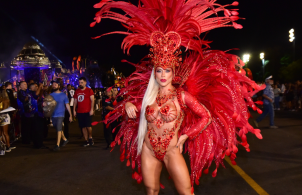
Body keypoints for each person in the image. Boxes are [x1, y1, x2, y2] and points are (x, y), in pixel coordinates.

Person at [91, 1, 265, 194]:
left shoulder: (182, 96)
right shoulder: (149, 97)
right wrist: (128, 106)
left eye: (167, 70)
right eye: (159, 71)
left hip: (172, 151)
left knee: (186, 192)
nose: (163, 75)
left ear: (174, 73)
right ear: (154, 73)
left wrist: (185, 136)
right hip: (149, 150)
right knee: (151, 190)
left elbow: (205, 116)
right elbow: (132, 109)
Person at [49, 80, 73, 151]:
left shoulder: (63, 95)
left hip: (60, 114)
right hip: (53, 115)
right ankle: (65, 139)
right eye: (53, 84)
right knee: (57, 128)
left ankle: (57, 145)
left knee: (59, 129)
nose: (54, 86)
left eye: (55, 84)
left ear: (59, 86)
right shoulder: (51, 95)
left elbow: (67, 105)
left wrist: (70, 115)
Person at [73, 77, 95, 147]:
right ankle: (86, 140)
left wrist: (92, 109)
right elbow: (75, 101)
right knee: (83, 127)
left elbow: (92, 100)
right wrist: (74, 110)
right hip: (80, 111)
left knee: (88, 126)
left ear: (85, 83)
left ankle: (90, 137)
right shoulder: (77, 91)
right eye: (79, 82)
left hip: (87, 111)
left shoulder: (89, 90)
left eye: (82, 82)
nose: (80, 84)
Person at [0, 88, 15, 152]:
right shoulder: (6, 99)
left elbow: (3, 109)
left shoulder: (4, 100)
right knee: (3, 133)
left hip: (3, 116)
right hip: (4, 116)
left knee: (4, 132)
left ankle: (7, 146)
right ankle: (5, 146)